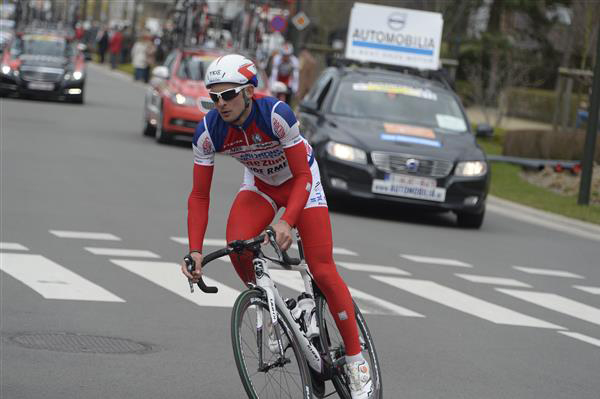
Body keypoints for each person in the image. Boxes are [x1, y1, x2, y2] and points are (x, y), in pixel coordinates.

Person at [180, 54, 374, 399]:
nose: (220, 103)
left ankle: (357, 361)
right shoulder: (209, 131)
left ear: (249, 92)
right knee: (238, 246)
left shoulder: (276, 115)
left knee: (323, 269)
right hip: (260, 186)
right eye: (214, 97)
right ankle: (275, 311)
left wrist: (286, 221)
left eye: (228, 95)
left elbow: (301, 175)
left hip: (302, 183)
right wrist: (194, 250)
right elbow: (199, 196)